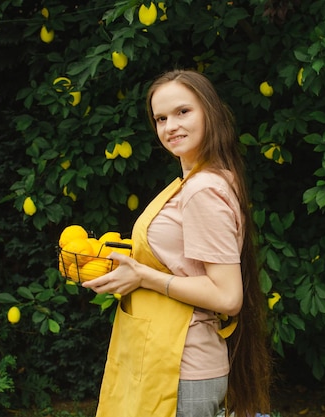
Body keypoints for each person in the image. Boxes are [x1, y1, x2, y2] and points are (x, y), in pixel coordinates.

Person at [82, 69, 271, 417]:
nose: (171, 126)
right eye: (161, 118)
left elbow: (227, 297)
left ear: (209, 113)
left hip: (183, 366)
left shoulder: (202, 189)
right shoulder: (198, 180)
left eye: (183, 112)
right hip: (167, 358)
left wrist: (142, 276)